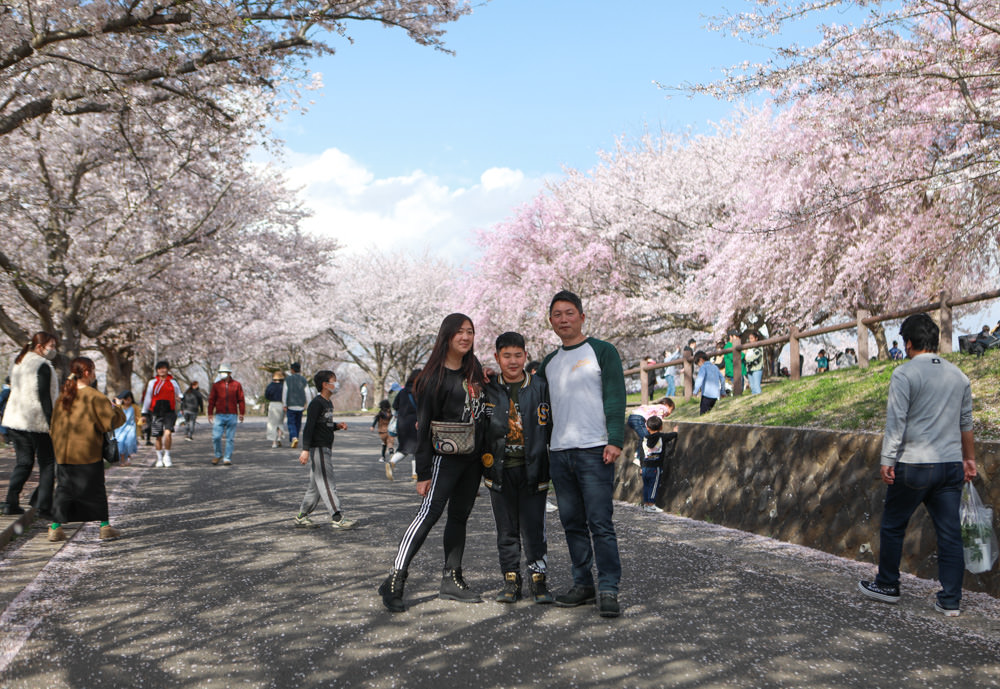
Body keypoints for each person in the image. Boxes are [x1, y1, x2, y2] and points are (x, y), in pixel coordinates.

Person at [858, 313, 977, 617]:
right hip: (950, 465)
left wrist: (887, 460)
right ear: (934, 342)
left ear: (909, 343)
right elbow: (966, 424)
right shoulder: (959, 376)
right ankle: (951, 600)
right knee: (950, 532)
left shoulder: (905, 374)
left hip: (914, 464)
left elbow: (897, 422)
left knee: (894, 524)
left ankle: (888, 585)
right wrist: (969, 459)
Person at [379, 313, 488, 613]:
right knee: (428, 515)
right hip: (444, 458)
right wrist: (422, 473)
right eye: (459, 332)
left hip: (473, 458)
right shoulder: (432, 377)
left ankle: (452, 578)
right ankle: (395, 578)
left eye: (470, 332)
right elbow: (423, 427)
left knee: (459, 517)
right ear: (447, 336)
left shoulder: (474, 369)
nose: (465, 337)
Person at [538, 290, 626, 618]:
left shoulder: (602, 351)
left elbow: (616, 396)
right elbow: (535, 402)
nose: (563, 319)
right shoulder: (549, 363)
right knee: (572, 522)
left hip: (595, 449)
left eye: (569, 313)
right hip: (560, 452)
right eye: (557, 315)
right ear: (551, 321)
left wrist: (614, 439)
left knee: (600, 522)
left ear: (582, 316)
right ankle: (583, 583)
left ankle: (608, 587)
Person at [482, 331, 555, 604]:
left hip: (534, 468)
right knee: (506, 529)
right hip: (498, 470)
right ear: (497, 358)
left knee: (535, 527)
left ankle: (539, 578)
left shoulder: (540, 387)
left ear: (525, 355)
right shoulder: (488, 388)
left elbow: (552, 427)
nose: (513, 361)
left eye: (518, 355)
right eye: (506, 356)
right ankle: (510, 578)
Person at [47, 357, 126, 542]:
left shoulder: (63, 397)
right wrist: (119, 409)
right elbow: (109, 422)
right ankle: (104, 527)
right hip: (88, 452)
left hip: (65, 453)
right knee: (96, 489)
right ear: (88, 372)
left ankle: (55, 528)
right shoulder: (94, 396)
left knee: (64, 490)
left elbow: (53, 426)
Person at [0, 332, 59, 517]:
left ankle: (11, 502)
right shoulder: (42, 366)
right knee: (48, 462)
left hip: (16, 419)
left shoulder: (19, 362)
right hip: (37, 421)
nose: (53, 350)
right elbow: (44, 397)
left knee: (24, 462)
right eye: (51, 346)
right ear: (40, 347)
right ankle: (44, 505)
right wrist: (51, 422)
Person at [293, 370, 356, 530]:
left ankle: (302, 516)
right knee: (327, 482)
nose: (336, 384)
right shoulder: (316, 403)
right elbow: (309, 428)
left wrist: (337, 426)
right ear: (325, 384)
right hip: (318, 448)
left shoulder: (328, 403)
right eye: (333, 381)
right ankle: (337, 516)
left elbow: (324, 426)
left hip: (326, 447)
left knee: (315, 487)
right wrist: (305, 450)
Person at [140, 360, 182, 467]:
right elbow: (148, 398)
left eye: (164, 368)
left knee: (167, 433)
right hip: (156, 412)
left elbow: (179, 394)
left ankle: (167, 455)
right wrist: (144, 413)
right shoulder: (152, 382)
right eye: (159, 368)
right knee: (158, 436)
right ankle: (159, 458)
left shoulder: (173, 382)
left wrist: (181, 398)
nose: (162, 370)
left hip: (169, 412)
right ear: (157, 370)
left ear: (167, 369)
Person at [387, 368, 421, 481]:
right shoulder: (420, 391)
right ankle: (413, 472)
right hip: (415, 423)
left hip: (402, 424)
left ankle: (394, 463)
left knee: (405, 447)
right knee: (416, 449)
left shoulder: (402, 391)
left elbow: (395, 406)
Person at [207, 364, 245, 466]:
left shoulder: (237, 385)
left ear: (229, 373)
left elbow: (241, 399)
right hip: (219, 414)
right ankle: (218, 454)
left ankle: (227, 458)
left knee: (230, 438)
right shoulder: (216, 385)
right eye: (220, 373)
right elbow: (212, 400)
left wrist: (242, 412)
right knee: (216, 437)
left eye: (224, 372)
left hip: (232, 414)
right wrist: (210, 413)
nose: (222, 374)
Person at [640, 414, 678, 513]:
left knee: (646, 486)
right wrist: (675, 432)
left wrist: (641, 466)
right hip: (655, 467)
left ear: (647, 427)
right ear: (661, 427)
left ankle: (646, 504)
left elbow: (641, 453)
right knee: (654, 485)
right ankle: (652, 505)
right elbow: (672, 436)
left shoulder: (644, 439)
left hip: (645, 467)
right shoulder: (662, 437)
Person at [626, 397, 674, 462]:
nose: (670, 413)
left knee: (643, 436)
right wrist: (661, 420)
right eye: (671, 409)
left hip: (632, 417)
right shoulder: (663, 408)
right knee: (646, 438)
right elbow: (659, 417)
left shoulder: (653, 407)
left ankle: (639, 455)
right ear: (667, 405)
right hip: (638, 418)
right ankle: (638, 456)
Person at [283, 362, 312, 449]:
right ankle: (296, 437)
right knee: (298, 423)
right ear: (300, 369)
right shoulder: (303, 379)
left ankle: (294, 437)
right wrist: (309, 403)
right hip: (300, 405)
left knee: (291, 423)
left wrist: (284, 404)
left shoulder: (288, 379)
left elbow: (285, 392)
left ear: (292, 370)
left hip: (291, 405)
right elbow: (307, 392)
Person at [693, 350, 724, 415]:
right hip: (715, 395)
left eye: (698, 364)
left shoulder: (703, 367)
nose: (699, 366)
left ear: (701, 360)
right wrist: (722, 391)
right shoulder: (715, 367)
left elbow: (699, 379)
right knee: (708, 413)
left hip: (706, 395)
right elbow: (722, 379)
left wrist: (695, 392)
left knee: (703, 414)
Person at [113, 391, 139, 466]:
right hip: (120, 428)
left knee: (129, 442)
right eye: (125, 399)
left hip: (130, 428)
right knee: (120, 443)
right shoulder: (119, 407)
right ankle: (122, 460)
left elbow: (138, 418)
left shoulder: (134, 407)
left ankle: (128, 459)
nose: (127, 401)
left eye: (129, 399)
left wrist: (141, 421)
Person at [264, 372, 285, 448]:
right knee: (280, 422)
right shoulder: (283, 386)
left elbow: (266, 395)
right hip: (281, 404)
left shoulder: (270, 386)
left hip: (273, 404)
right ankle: (279, 437)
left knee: (272, 424)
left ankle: (274, 442)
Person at [0, 377, 11, 447]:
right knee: (5, 425)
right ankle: (7, 440)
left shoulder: (5, 391)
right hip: (6, 411)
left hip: (5, 410)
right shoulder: (7, 391)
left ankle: (7, 440)